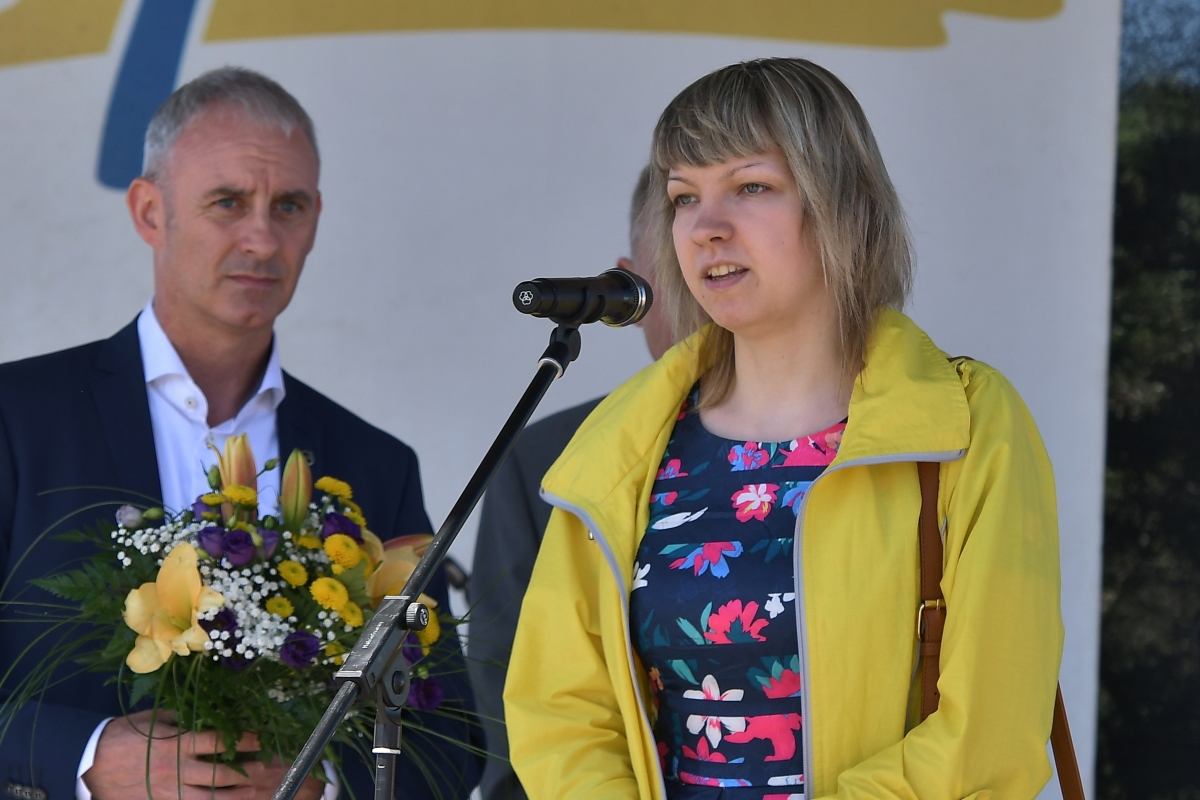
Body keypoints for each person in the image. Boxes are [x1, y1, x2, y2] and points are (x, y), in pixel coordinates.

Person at [504, 58, 1063, 800]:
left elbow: (990, 734)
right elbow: (560, 714)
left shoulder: (968, 423)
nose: (707, 228)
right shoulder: (625, 440)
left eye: (751, 187)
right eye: (684, 198)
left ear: (842, 205)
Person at [0, 68, 480, 800]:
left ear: (315, 219)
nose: (262, 238)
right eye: (228, 202)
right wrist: (88, 758)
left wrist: (318, 778)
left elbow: (447, 740)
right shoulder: (16, 419)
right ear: (150, 212)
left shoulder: (376, 465)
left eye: (288, 206)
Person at [468, 165, 673, 800]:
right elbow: (509, 699)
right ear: (628, 290)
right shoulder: (546, 460)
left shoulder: (875, 441)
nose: (706, 288)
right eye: (676, 267)